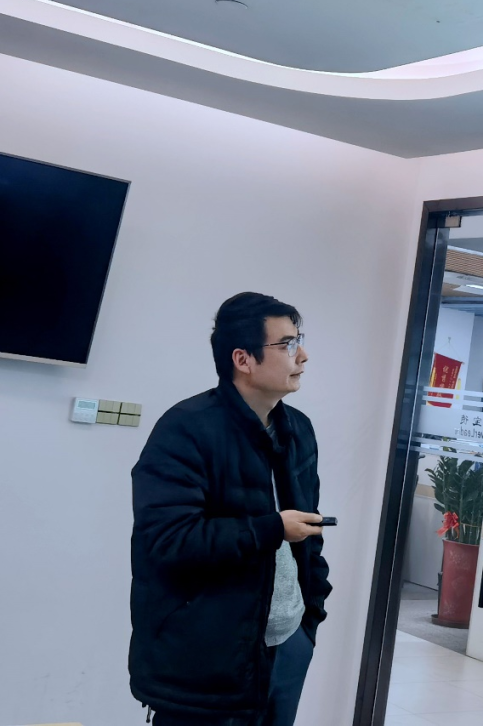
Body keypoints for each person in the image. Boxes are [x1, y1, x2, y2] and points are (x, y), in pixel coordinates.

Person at [129, 293, 332, 725]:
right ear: (243, 359)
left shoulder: (298, 428)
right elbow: (168, 541)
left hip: (288, 641)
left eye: (299, 342)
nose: (303, 356)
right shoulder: (185, 428)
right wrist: (271, 528)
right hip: (205, 658)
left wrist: (310, 616)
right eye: (288, 344)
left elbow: (309, 529)